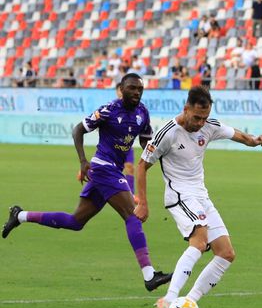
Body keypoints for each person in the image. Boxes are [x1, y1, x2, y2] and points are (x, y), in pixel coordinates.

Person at [1, 73, 172, 292]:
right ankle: (149, 275)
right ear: (122, 89)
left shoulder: (142, 113)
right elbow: (78, 130)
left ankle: (20, 215)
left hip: (111, 171)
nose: (136, 92)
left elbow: (145, 140)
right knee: (132, 214)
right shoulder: (109, 110)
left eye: (140, 89)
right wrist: (83, 162)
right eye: (132, 88)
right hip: (102, 168)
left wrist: (153, 153)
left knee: (75, 221)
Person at [133, 86, 262, 308]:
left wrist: (255, 141)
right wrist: (142, 202)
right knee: (199, 241)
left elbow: (235, 134)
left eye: (204, 118)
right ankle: (169, 299)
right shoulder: (168, 133)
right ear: (186, 109)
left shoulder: (208, 125)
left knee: (226, 254)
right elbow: (142, 165)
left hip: (201, 195)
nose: (200, 123)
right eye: (196, 117)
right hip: (179, 194)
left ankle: (188, 303)